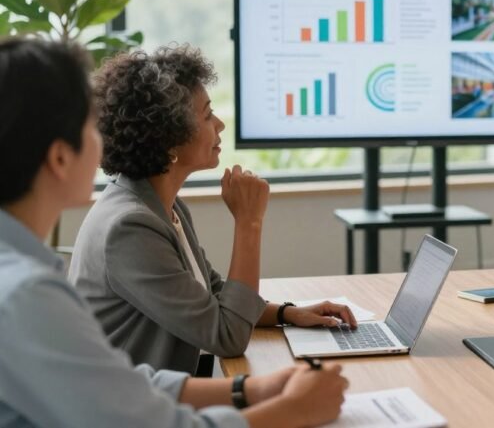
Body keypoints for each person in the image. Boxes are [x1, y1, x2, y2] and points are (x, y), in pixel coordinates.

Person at [0, 39, 347, 427]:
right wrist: (290, 411)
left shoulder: (158, 207)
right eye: (89, 127)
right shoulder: (43, 283)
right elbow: (220, 338)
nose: (103, 141)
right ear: (60, 158)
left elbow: (121, 381)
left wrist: (253, 383)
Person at [69, 46, 357, 375]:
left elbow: (212, 293)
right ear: (169, 139)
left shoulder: (162, 205)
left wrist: (288, 313)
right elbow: (227, 335)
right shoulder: (131, 228)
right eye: (206, 115)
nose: (219, 124)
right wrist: (249, 222)